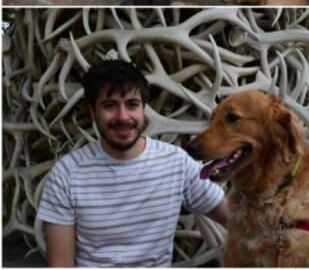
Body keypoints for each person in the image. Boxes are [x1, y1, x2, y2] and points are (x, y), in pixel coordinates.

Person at [37, 60, 228, 267]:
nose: (123, 116)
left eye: (132, 104)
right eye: (109, 105)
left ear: (143, 108)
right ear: (92, 112)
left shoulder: (176, 164)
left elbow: (239, 221)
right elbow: (60, 265)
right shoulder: (66, 175)